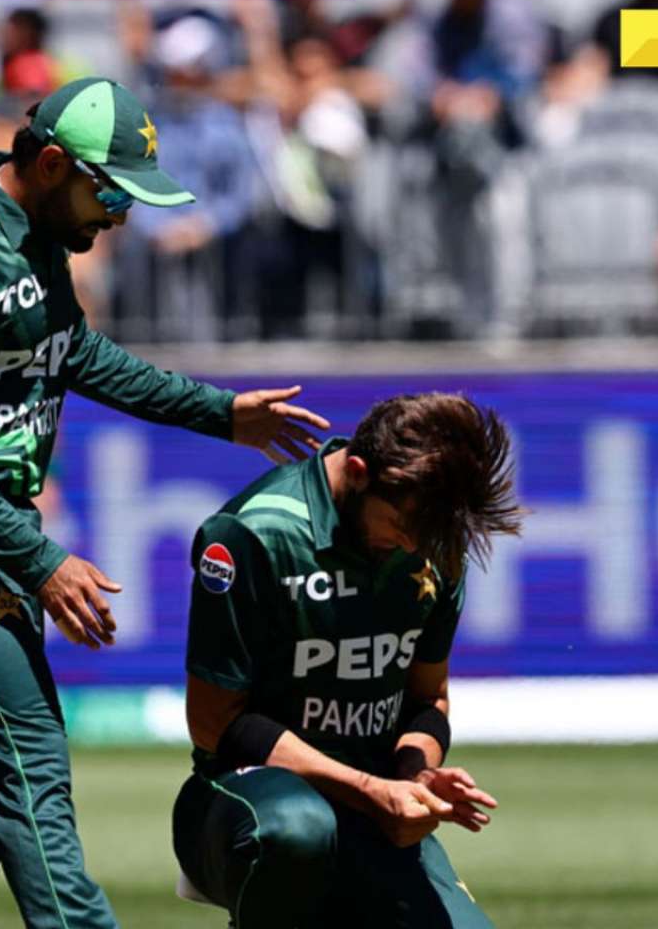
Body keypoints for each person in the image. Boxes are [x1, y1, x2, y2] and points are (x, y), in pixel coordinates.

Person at [0, 75, 329, 929]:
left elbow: (79, 356)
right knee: (29, 759)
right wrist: (39, 561)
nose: (118, 215)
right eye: (107, 191)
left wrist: (221, 415)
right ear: (50, 163)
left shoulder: (36, 233)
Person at [172, 392, 524, 929]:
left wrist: (413, 776)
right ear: (358, 473)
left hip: (373, 812)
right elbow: (214, 724)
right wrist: (370, 791)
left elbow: (428, 698)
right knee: (298, 829)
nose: (413, 547)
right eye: (400, 527)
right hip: (248, 802)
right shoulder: (253, 534)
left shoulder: (434, 538)